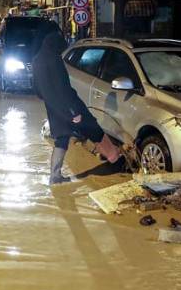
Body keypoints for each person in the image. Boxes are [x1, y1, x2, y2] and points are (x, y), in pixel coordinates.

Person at [30, 27, 122, 184]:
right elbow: (63, 88)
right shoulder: (54, 60)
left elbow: (38, 91)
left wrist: (51, 100)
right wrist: (73, 112)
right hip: (70, 107)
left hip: (54, 109)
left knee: (61, 139)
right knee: (93, 129)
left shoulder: (37, 60)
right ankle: (115, 160)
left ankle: (55, 176)